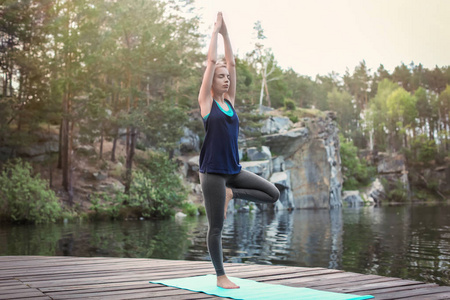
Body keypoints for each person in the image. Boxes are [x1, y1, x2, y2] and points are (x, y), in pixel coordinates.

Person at [198, 12, 280, 289]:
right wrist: (214, 32)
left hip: (234, 172)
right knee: (216, 227)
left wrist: (226, 34)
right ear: (211, 81)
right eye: (220, 77)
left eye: (227, 77)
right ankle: (221, 276)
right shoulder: (206, 103)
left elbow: (231, 62)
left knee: (273, 194)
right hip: (212, 174)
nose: (226, 79)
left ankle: (232, 194)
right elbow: (212, 61)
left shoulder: (230, 103)